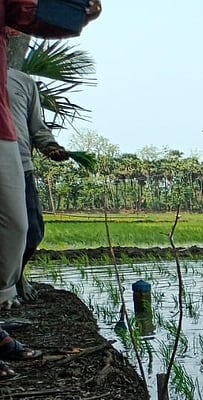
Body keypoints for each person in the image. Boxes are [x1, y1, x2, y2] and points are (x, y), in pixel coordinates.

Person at [0, 1, 102, 310]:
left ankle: (10, 288)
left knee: (23, 227)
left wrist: (81, 14)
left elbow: (31, 12)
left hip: (13, 150)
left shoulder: (21, 82)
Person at [8, 66, 69, 301]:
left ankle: (15, 278)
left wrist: (49, 146)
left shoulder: (22, 81)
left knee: (32, 231)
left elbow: (36, 126)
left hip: (21, 165)